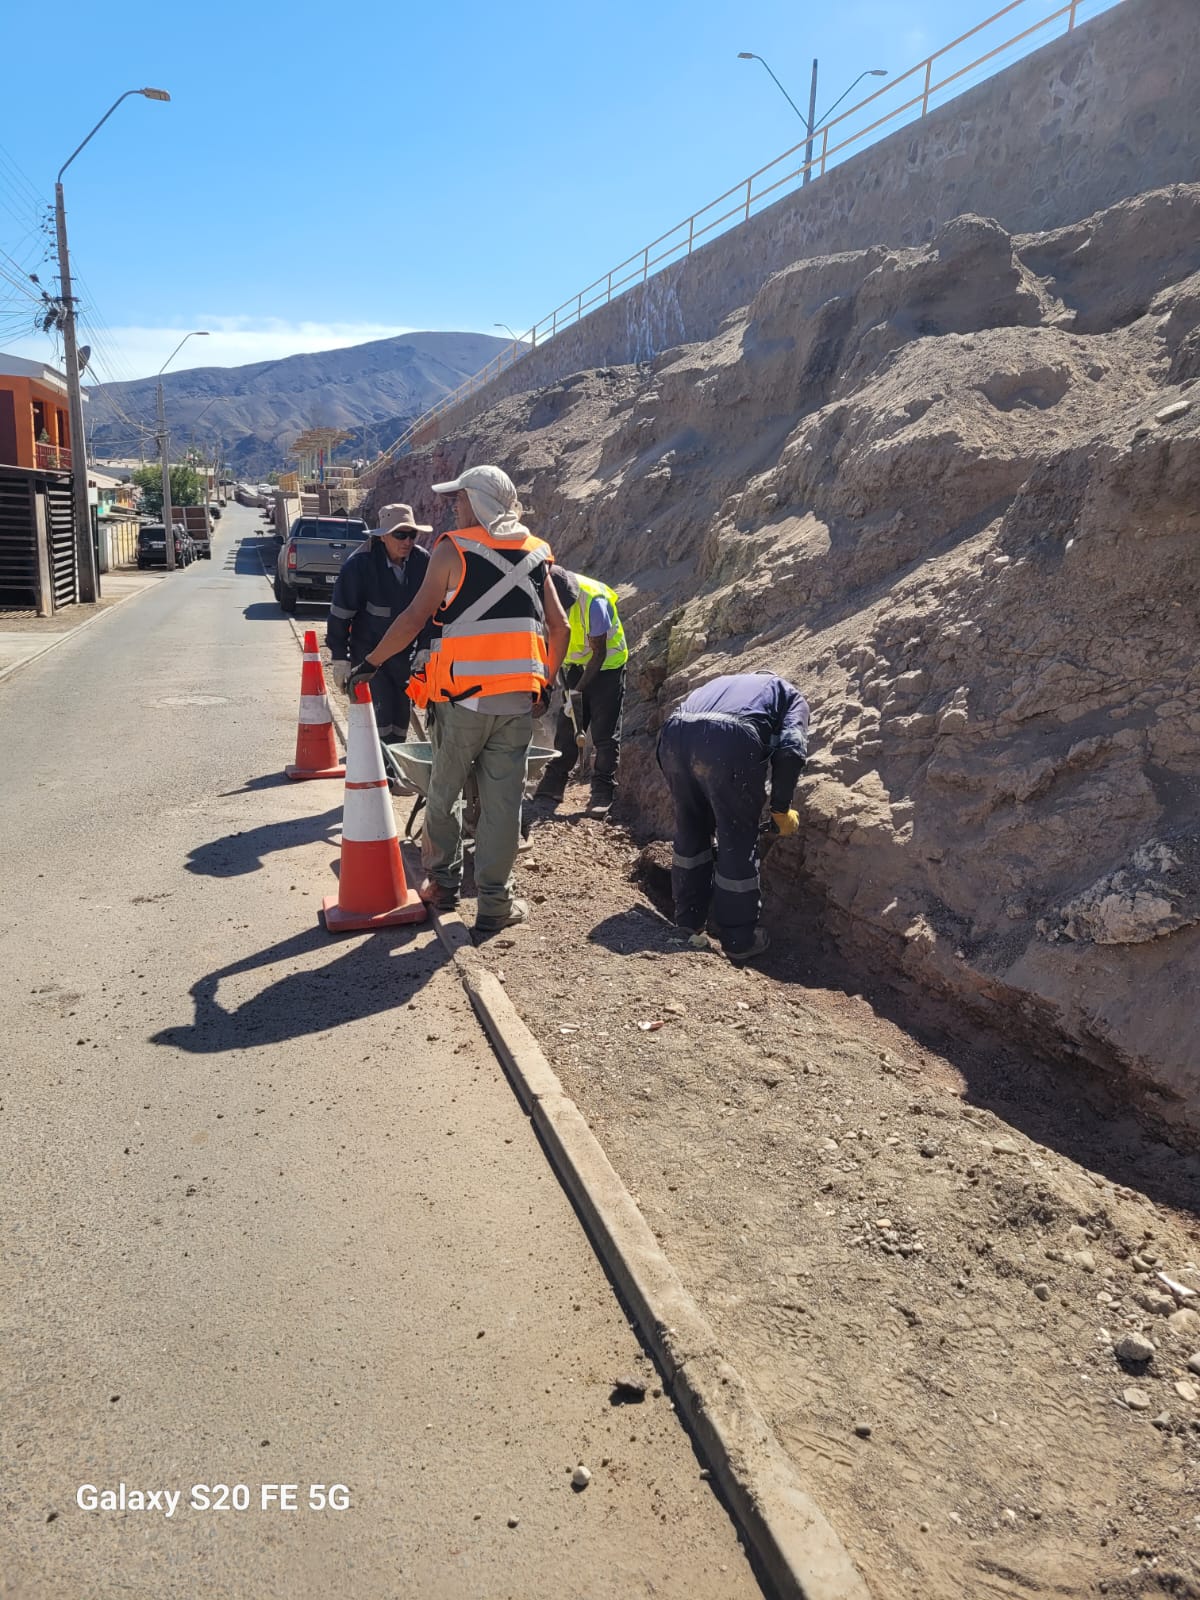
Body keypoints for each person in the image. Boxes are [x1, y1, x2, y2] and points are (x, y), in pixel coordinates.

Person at [349, 465, 568, 934]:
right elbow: (561, 628)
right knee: (504, 805)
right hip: (516, 707)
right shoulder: (537, 553)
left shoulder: (453, 550)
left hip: (463, 702)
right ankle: (494, 905)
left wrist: (370, 662)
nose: (454, 505)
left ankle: (443, 886)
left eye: (461, 498)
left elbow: (412, 619)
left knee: (444, 794)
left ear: (479, 502)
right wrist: (544, 682)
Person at [656, 672, 809, 964]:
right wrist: (780, 809)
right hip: (727, 739)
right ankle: (738, 939)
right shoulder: (791, 697)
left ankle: (687, 921)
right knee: (736, 838)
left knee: (691, 826)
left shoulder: (726, 683)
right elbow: (791, 751)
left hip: (674, 734)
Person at [325, 504, 431, 743]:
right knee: (380, 716)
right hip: (370, 655)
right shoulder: (359, 566)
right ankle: (379, 770)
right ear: (383, 535)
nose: (407, 541)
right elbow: (340, 615)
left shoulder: (422, 562)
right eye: (399, 535)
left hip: (406, 655)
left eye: (411, 535)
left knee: (401, 716)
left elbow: (431, 611)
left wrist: (425, 647)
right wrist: (340, 657)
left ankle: (392, 770)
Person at [532, 566, 628, 817]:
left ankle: (602, 791)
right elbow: (550, 642)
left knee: (605, 732)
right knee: (568, 726)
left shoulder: (595, 602)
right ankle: (553, 783)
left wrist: (575, 693)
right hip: (575, 663)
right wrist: (552, 685)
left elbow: (600, 654)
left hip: (608, 666)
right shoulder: (544, 600)